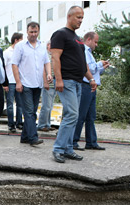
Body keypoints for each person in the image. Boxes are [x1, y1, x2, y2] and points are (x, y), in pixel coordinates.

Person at [50, 6, 97, 163]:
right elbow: (55, 58)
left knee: (73, 116)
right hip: (67, 81)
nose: (80, 20)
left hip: (78, 82)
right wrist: (59, 79)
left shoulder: (77, 39)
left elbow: (82, 64)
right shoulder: (60, 34)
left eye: (82, 18)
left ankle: (68, 149)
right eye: (78, 17)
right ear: (69, 16)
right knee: (72, 114)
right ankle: (58, 149)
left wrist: (90, 79)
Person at [12, 21, 52, 146]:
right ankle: (33, 138)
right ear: (27, 32)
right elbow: (14, 64)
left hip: (37, 84)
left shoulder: (41, 46)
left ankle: (24, 137)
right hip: (25, 84)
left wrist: (48, 74)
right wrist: (18, 82)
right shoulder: (20, 46)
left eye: (35, 32)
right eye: (31, 32)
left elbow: (46, 62)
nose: (34, 34)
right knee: (29, 112)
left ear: (38, 32)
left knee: (33, 112)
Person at [72, 32, 109, 151]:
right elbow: (88, 68)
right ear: (89, 39)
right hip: (85, 85)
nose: (96, 45)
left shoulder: (89, 53)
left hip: (91, 86)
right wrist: (99, 64)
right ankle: (73, 141)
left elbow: (94, 71)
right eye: (95, 42)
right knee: (81, 114)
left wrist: (102, 67)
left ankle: (91, 141)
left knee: (90, 116)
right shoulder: (83, 51)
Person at [3, 32, 24, 133]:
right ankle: (11, 124)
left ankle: (19, 123)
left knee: (20, 104)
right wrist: (5, 83)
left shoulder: (21, 51)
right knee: (10, 104)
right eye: (21, 40)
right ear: (16, 40)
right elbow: (3, 67)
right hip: (10, 81)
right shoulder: (7, 52)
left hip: (19, 81)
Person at [37, 40, 57, 133]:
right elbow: (43, 70)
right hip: (48, 83)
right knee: (46, 105)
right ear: (48, 45)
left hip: (54, 83)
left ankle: (47, 124)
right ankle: (42, 124)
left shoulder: (53, 56)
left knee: (50, 105)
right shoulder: (46, 56)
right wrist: (45, 82)